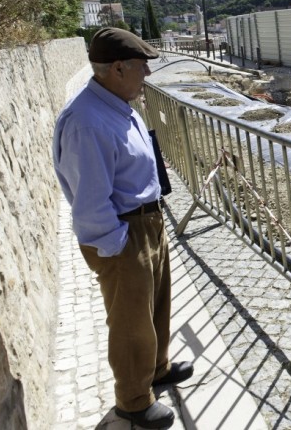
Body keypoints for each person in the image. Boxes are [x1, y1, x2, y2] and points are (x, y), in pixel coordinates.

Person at [53, 27, 193, 429]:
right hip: (123, 232)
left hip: (146, 221)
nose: (148, 73)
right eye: (142, 66)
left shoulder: (115, 102)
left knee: (156, 306)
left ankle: (157, 369)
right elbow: (91, 201)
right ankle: (133, 401)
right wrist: (118, 248)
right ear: (117, 68)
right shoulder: (87, 122)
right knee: (131, 321)